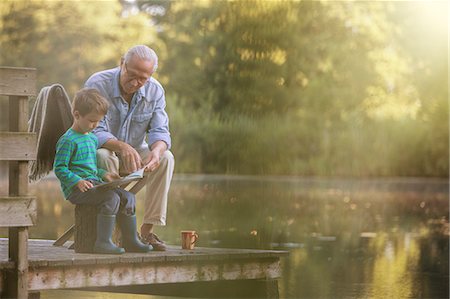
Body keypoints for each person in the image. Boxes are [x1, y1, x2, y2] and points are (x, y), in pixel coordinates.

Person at [85, 45, 175, 251]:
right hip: (102, 154)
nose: (135, 83)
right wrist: (121, 146)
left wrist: (157, 151)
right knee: (103, 154)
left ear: (150, 76)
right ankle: (111, 233)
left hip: (134, 155)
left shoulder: (156, 90)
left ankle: (146, 232)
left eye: (143, 79)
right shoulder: (97, 83)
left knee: (167, 158)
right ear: (122, 64)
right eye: (131, 75)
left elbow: (161, 131)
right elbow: (92, 131)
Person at [54, 88, 151, 254]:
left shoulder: (91, 138)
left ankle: (131, 240)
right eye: (92, 121)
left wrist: (104, 174)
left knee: (128, 197)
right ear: (77, 115)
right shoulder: (67, 140)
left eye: (98, 121)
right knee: (110, 198)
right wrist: (77, 181)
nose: (95, 125)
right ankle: (103, 242)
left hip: (94, 184)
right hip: (76, 190)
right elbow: (60, 168)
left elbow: (90, 168)